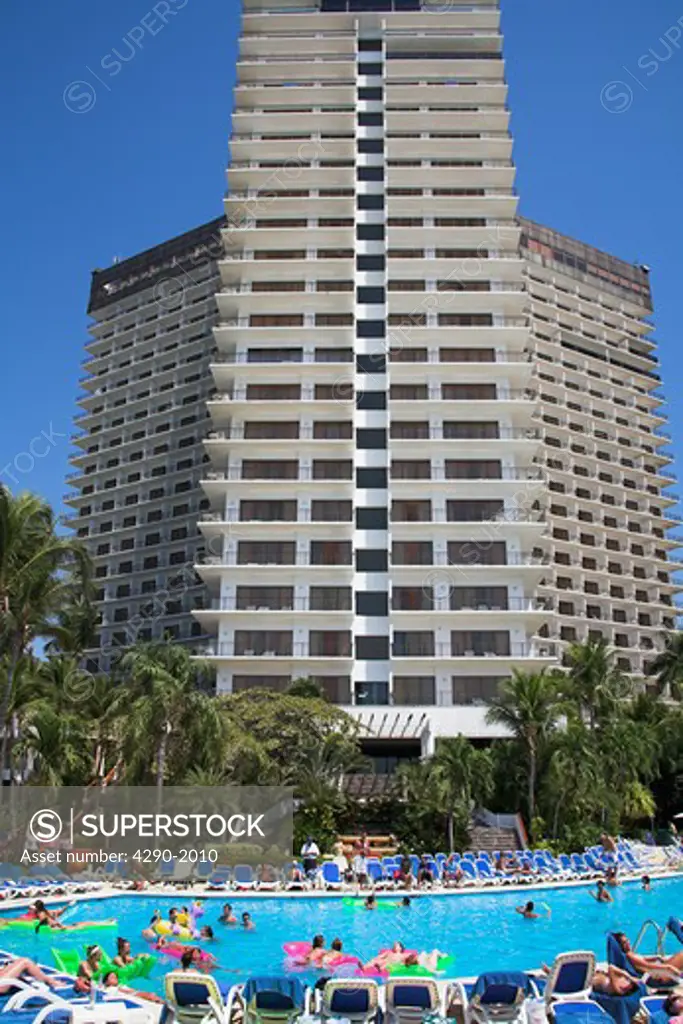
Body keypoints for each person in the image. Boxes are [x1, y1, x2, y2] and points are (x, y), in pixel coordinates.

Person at [612, 932, 683, 981]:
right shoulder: (629, 956)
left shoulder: (631, 954)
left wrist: (657, 957)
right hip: (657, 976)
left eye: (627, 940)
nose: (628, 943)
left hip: (657, 973)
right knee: (681, 955)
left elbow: (643, 959)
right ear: (620, 946)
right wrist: (668, 967)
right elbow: (647, 966)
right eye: (624, 943)